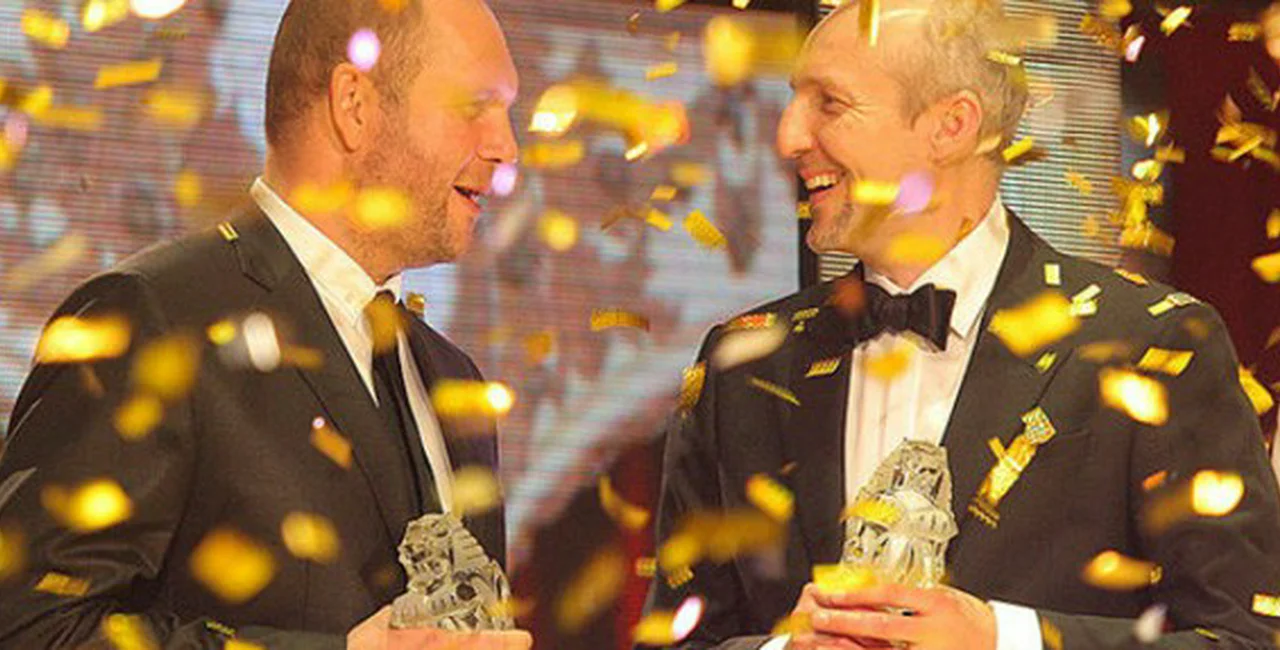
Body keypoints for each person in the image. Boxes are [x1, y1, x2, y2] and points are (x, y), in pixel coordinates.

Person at [641, 0, 1280, 648]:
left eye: (829, 103)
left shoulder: (1154, 345)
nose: (788, 137)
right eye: (793, 101)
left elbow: (1247, 640)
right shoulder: (742, 363)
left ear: (951, 125)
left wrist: (1003, 639)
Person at [0, 0, 531, 648]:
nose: (506, 147)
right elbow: (31, 629)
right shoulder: (153, 319)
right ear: (354, 104)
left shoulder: (454, 379)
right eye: (475, 106)